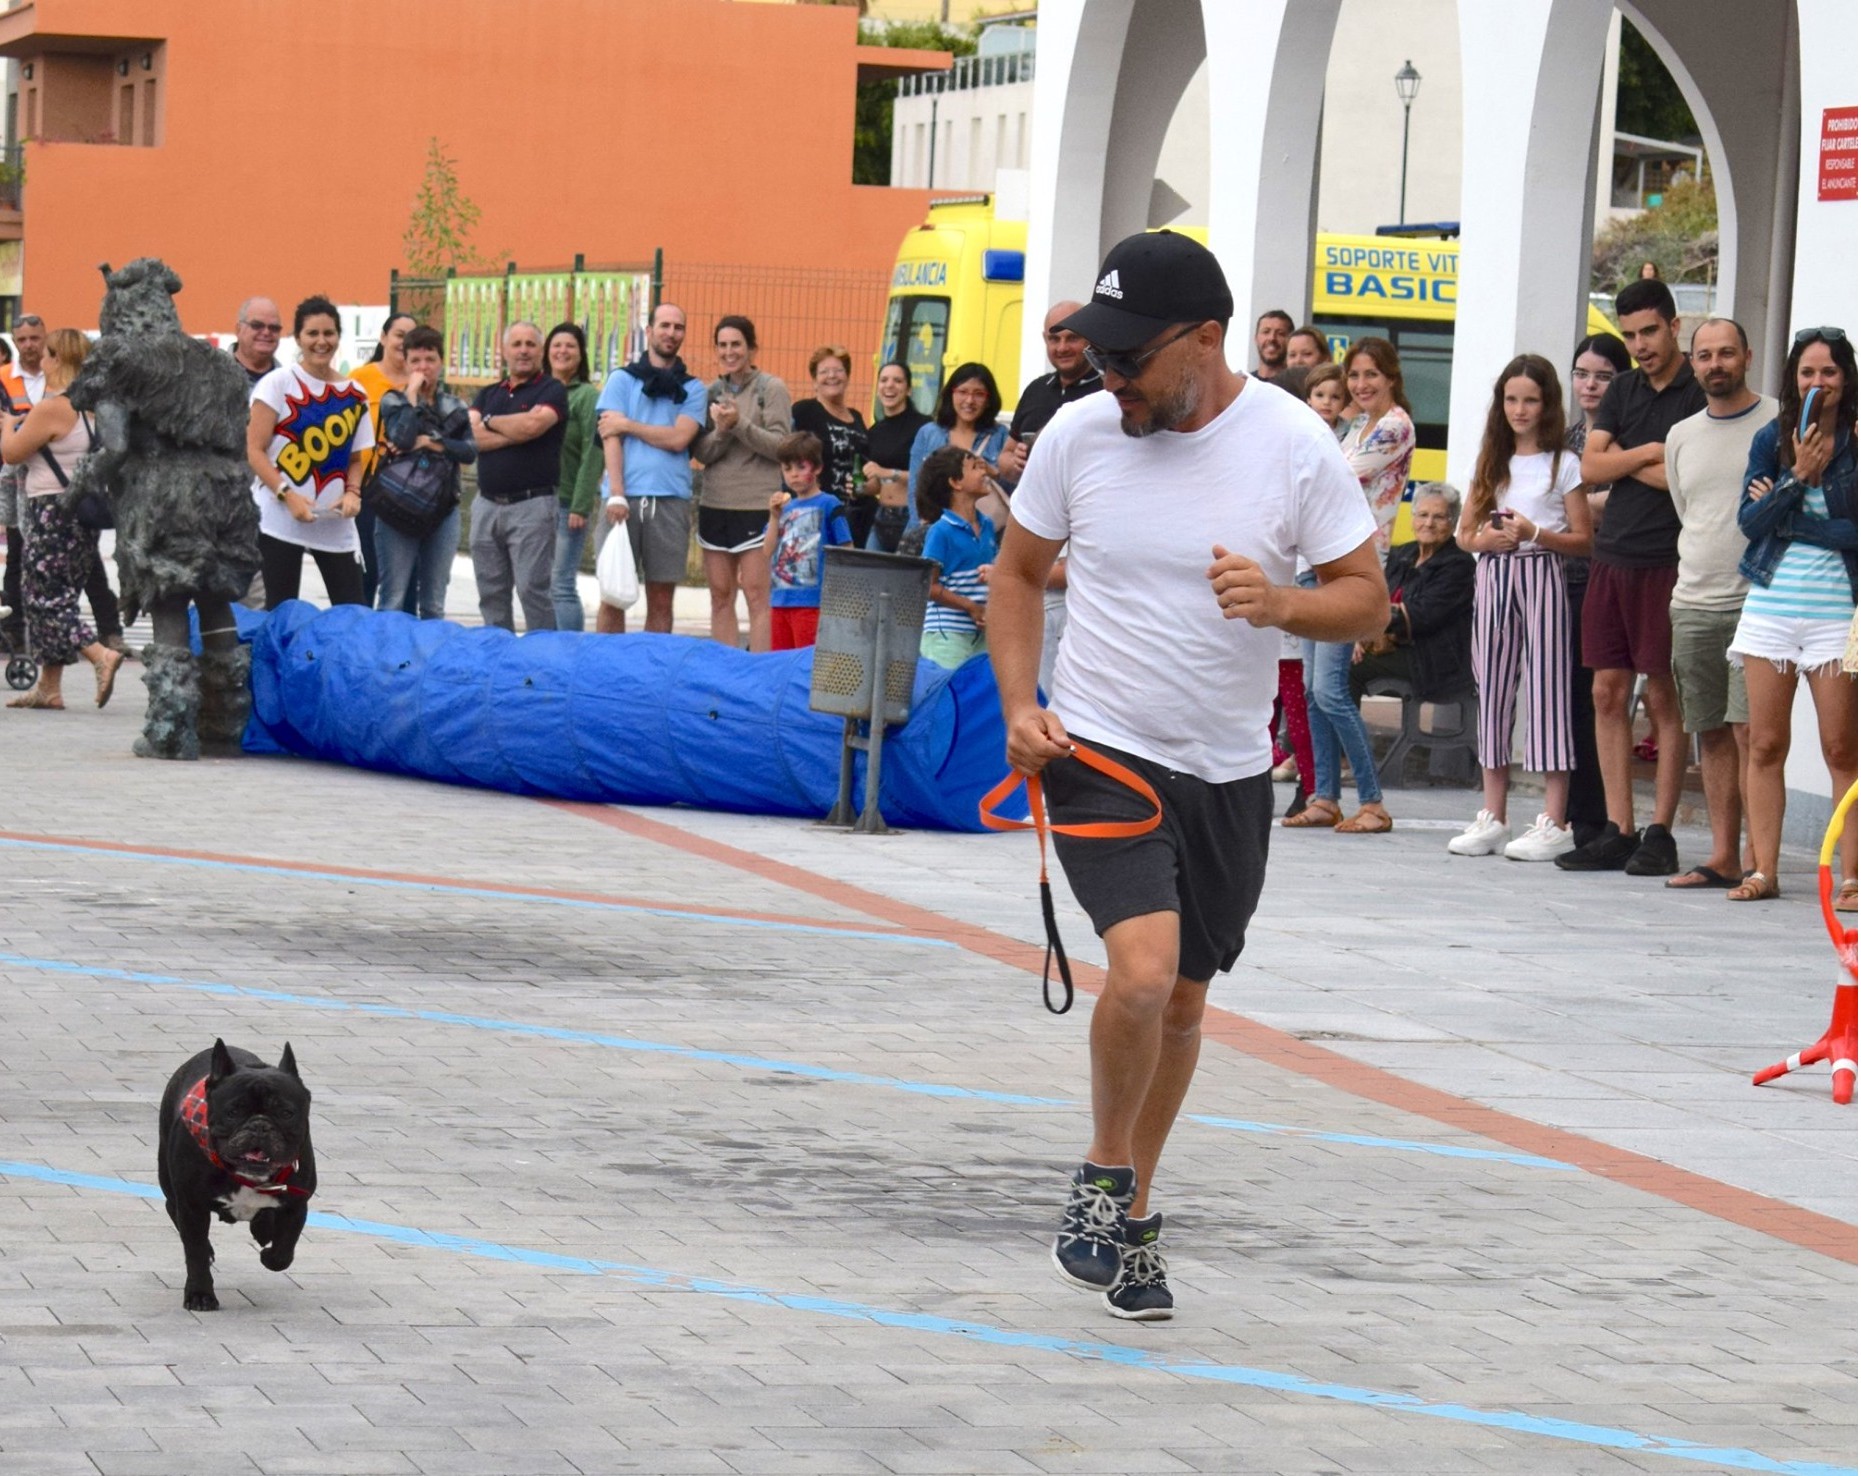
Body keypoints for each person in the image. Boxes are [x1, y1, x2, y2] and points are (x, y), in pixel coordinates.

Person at [990, 231, 1383, 1320]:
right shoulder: (1078, 435)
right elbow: (1015, 577)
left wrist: (1284, 603)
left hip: (1226, 771)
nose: (1107, 377)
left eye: (1128, 358)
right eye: (1098, 356)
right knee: (1145, 971)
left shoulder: (1294, 445)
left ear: (1203, 341)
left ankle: (1136, 1213)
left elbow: (1366, 598)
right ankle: (1104, 1174)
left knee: (1183, 1006)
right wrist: (1021, 707)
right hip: (1102, 749)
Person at [1560, 278, 1706, 874]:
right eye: (1630, 335)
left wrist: (1634, 460)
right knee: (1606, 692)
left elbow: (1688, 480)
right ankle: (1620, 827)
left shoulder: (1699, 394)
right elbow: (1591, 465)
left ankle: (1661, 829)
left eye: (1649, 331)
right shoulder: (1622, 387)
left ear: (1675, 327)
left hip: (1669, 560)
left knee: (1665, 698)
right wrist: (1652, 453)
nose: (1640, 345)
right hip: (1611, 557)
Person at [1728, 326, 1858, 905]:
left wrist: (1788, 510)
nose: (1818, 382)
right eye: (1808, 372)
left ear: (1846, 379)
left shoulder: (1856, 442)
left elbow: (1854, 531)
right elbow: (1749, 525)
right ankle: (1764, 869)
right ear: (1793, 379)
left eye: (1829, 372)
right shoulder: (1771, 439)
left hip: (1836, 613)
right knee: (1763, 743)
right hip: (1771, 610)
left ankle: (1853, 875)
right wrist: (1796, 478)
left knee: (1840, 749)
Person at [1448, 355, 1593, 861]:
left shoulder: (1563, 464)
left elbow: (1583, 538)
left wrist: (1536, 533)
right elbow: (1463, 534)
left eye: (1530, 399)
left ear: (1547, 403)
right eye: (1511, 399)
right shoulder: (1490, 460)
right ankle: (1494, 814)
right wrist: (1485, 539)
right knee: (1492, 685)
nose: (1520, 409)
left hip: (1542, 574)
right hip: (1493, 576)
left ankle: (1555, 817)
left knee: (1548, 688)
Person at [1661, 319, 1773, 889]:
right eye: (1704, 355)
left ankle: (1761, 858)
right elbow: (1689, 511)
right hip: (1694, 601)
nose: (1715, 364)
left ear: (1747, 357)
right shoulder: (1681, 434)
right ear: (1693, 362)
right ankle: (1723, 855)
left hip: (1758, 600)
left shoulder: (1778, 421)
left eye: (1726, 353)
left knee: (1753, 733)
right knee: (1711, 732)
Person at [1287, 337, 1413, 834]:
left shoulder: (1394, 427)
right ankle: (1324, 796)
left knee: (1332, 690)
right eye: (1354, 377)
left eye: (1370, 376)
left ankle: (1374, 802)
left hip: (1356, 564)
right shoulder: (1358, 424)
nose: (1361, 385)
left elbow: (1336, 474)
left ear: (1390, 377)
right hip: (1321, 559)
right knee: (1314, 691)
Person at [0, 329, 126, 710]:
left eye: (49, 355)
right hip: (81, 511)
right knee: (63, 595)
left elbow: (12, 453)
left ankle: (100, 655)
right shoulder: (93, 408)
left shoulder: (53, 407)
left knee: (43, 601)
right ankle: (49, 688)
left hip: (50, 512)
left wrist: (8, 425)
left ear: (56, 359)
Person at [247, 296, 372, 609]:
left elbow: (355, 459)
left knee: (352, 612)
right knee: (281, 613)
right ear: (298, 338)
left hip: (334, 520)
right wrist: (286, 494)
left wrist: (353, 493)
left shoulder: (355, 394)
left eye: (328, 333)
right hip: (280, 518)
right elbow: (254, 449)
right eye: (312, 333)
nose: (321, 341)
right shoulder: (277, 383)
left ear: (338, 338)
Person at [594, 302, 708, 635]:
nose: (671, 333)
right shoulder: (620, 380)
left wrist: (629, 424)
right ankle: (607, 667)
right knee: (612, 595)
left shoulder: (694, 389)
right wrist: (616, 494)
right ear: (649, 331)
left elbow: (679, 439)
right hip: (622, 502)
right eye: (665, 325)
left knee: (661, 599)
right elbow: (608, 437)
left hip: (670, 500)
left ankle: (653, 674)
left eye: (678, 327)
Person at [1007, 301, 1103, 693]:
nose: (1062, 346)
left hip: (1084, 530)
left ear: (1090, 339)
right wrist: (1013, 458)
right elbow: (1005, 455)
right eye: (1054, 337)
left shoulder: (1106, 389)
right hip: (1035, 528)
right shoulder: (1034, 391)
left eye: (1071, 337)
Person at [1563, 332, 1633, 847]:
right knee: (1564, 695)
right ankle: (1568, 811)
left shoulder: (1627, 437)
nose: (1590, 384)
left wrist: (1578, 506)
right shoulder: (1563, 438)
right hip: (1560, 577)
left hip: (1609, 574)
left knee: (1601, 698)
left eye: (1603, 375)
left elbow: (1619, 504)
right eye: (1582, 373)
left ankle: (1604, 817)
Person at [693, 315, 790, 651]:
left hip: (756, 505)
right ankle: (726, 674)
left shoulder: (771, 388)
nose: (729, 352)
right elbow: (702, 453)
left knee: (756, 595)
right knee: (720, 596)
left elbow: (781, 447)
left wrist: (739, 424)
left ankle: (759, 675)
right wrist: (721, 431)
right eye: (722, 345)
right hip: (715, 504)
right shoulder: (711, 392)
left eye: (736, 344)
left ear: (751, 348)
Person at [469, 321, 566, 632]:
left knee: (532, 591)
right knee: (490, 593)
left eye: (530, 344)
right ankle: (499, 660)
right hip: (486, 506)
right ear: (504, 351)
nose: (523, 350)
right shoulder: (486, 394)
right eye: (517, 344)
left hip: (532, 507)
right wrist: (515, 430)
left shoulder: (552, 390)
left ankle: (544, 663)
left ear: (540, 351)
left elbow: (532, 428)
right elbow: (471, 437)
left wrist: (491, 423)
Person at [373, 326, 474, 620]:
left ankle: (430, 660)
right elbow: (403, 437)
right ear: (405, 363)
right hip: (397, 505)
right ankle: (387, 659)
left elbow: (468, 450)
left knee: (433, 603)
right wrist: (412, 394)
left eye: (429, 359)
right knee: (392, 597)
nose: (423, 367)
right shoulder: (394, 400)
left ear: (441, 362)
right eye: (415, 361)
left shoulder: (454, 406)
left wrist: (431, 442)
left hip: (443, 507)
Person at [1348, 483, 1475, 707]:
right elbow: (1375, 596)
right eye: (1423, 515)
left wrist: (1363, 626)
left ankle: (1343, 742)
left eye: (1439, 517)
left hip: (1432, 660)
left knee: (1341, 668)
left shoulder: (1460, 564)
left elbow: (1421, 616)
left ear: (1453, 522)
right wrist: (1359, 637)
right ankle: (1314, 742)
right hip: (1395, 648)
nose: (1428, 523)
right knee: (1330, 663)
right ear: (1413, 518)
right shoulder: (1403, 553)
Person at [349, 312, 415, 608]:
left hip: (409, 494)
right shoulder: (360, 379)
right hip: (366, 489)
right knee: (366, 570)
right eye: (399, 334)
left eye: (411, 337)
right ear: (384, 337)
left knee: (405, 578)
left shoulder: (421, 383)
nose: (405, 342)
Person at [764, 431, 852, 651]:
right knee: (782, 663)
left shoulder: (829, 503)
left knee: (807, 662)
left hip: (813, 602)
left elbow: (847, 548)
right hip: (781, 599)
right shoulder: (783, 508)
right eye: (787, 469)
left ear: (817, 468)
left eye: (801, 467)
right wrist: (774, 517)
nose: (793, 474)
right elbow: (767, 550)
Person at [543, 322, 603, 633]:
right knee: (538, 583)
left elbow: (593, 453)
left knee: (561, 583)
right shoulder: (538, 391)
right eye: (557, 345)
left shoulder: (585, 397)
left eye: (570, 346)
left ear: (581, 356)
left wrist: (580, 505)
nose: (562, 351)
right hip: (536, 502)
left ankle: (570, 652)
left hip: (568, 505)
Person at [916, 444, 996, 669]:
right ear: (956, 482)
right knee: (945, 692)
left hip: (980, 632)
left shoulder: (988, 525)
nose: (984, 472)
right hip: (946, 635)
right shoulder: (941, 531)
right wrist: (970, 606)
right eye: (974, 467)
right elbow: (927, 586)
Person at [906, 362, 1009, 528]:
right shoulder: (928, 433)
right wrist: (920, 529)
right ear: (951, 394)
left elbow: (1018, 490)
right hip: (936, 530)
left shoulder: (1000, 435)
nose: (969, 401)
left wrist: (994, 473)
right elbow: (915, 490)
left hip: (984, 534)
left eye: (979, 394)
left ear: (989, 399)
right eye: (963, 392)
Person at [790, 347, 870, 542]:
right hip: (818, 513)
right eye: (824, 372)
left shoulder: (857, 417)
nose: (831, 376)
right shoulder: (804, 411)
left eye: (838, 370)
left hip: (854, 516)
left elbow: (867, 460)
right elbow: (792, 459)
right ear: (814, 380)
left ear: (848, 376)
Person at [861, 361, 928, 555]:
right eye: (884, 380)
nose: (889, 385)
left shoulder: (923, 427)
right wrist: (862, 488)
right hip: (882, 515)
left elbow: (928, 474)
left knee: (905, 580)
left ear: (908, 390)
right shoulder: (875, 431)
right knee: (871, 580)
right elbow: (877, 484)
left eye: (897, 381)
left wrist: (888, 472)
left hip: (912, 516)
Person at [231, 298, 283, 386]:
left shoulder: (288, 383)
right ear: (238, 329)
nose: (266, 332)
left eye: (274, 327)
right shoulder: (212, 375)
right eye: (257, 325)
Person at [1303, 363, 1350, 438]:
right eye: (1319, 395)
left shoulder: (1350, 432)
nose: (1326, 402)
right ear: (1309, 398)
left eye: (1335, 397)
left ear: (1344, 403)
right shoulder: (1301, 429)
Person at [1252, 309, 1293, 382]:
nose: (1272, 338)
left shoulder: (1296, 386)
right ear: (1256, 338)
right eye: (1266, 332)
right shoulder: (1245, 384)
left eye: (1280, 333)